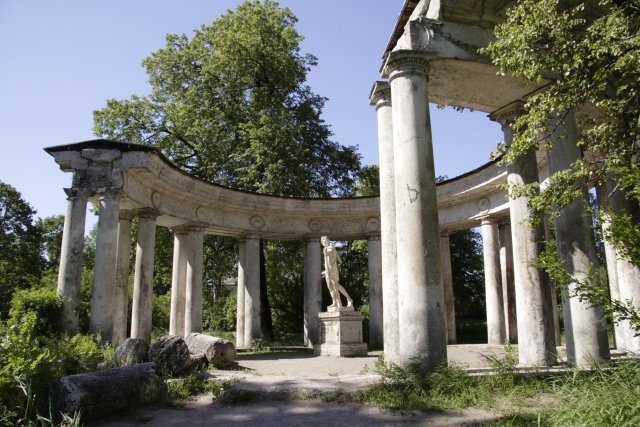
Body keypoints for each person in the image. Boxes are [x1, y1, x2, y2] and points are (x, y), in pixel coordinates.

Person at [320, 236, 353, 309]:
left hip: (333, 270)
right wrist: (325, 271)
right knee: (330, 287)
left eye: (325, 240)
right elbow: (327, 263)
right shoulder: (325, 249)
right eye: (322, 242)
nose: (324, 242)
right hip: (328, 271)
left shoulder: (331, 249)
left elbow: (333, 261)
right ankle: (335, 302)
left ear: (328, 241)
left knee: (336, 285)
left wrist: (326, 253)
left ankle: (349, 299)